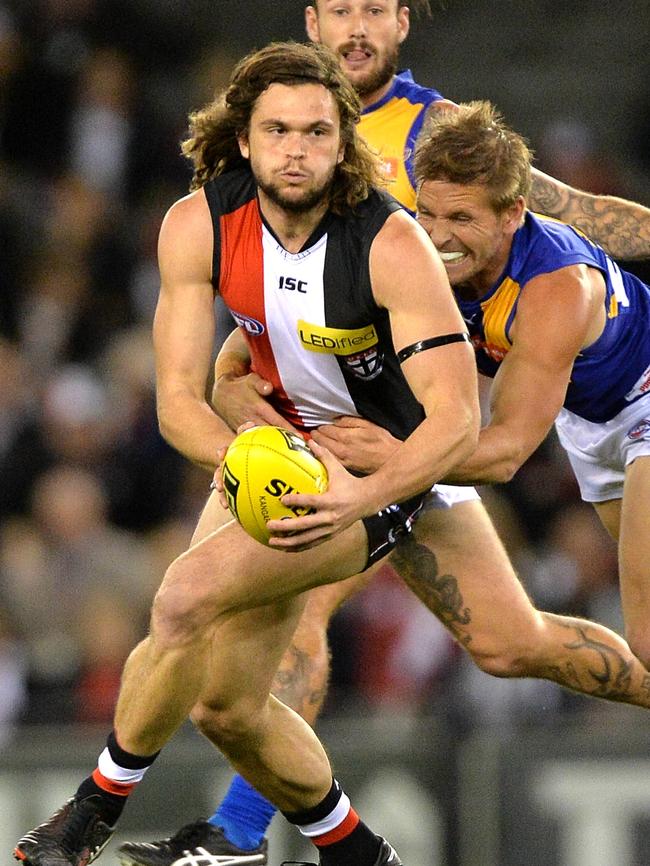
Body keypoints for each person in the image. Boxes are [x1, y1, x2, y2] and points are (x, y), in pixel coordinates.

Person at [117, 2, 650, 864]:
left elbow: (576, 216)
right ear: (311, 22)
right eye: (341, 8)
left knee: (510, 647)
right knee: (291, 602)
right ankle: (239, 836)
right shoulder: (286, 144)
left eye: (376, 8)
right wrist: (244, 380)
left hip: (451, 427)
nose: (357, 26)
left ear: (404, 24)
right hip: (364, 431)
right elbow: (271, 307)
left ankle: (241, 835)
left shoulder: (437, 137)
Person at [14, 39, 482, 866]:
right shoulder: (197, 226)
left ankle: (81, 825)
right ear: (242, 139)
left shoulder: (391, 244)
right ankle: (360, 856)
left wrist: (355, 498)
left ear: (345, 144)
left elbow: (455, 424)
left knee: (183, 598)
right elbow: (175, 405)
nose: (295, 150)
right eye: (277, 131)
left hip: (375, 477)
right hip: (270, 452)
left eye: (314, 132)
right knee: (228, 710)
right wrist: (248, 460)